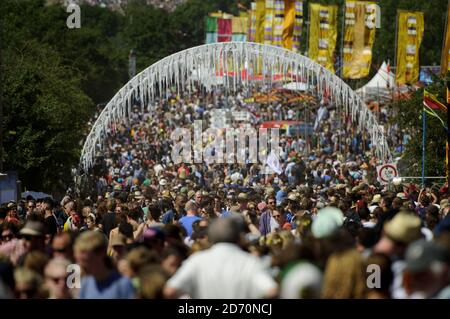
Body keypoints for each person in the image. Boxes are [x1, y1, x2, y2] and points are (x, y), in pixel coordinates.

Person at [164, 217, 278, 298]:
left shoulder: (197, 260)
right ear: (239, 238)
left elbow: (170, 291)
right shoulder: (249, 262)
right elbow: (272, 290)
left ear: (211, 238)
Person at [75, 231, 135, 299]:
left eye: (86, 261)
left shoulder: (123, 284)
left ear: (101, 253)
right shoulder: (85, 284)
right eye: (79, 261)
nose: (81, 266)